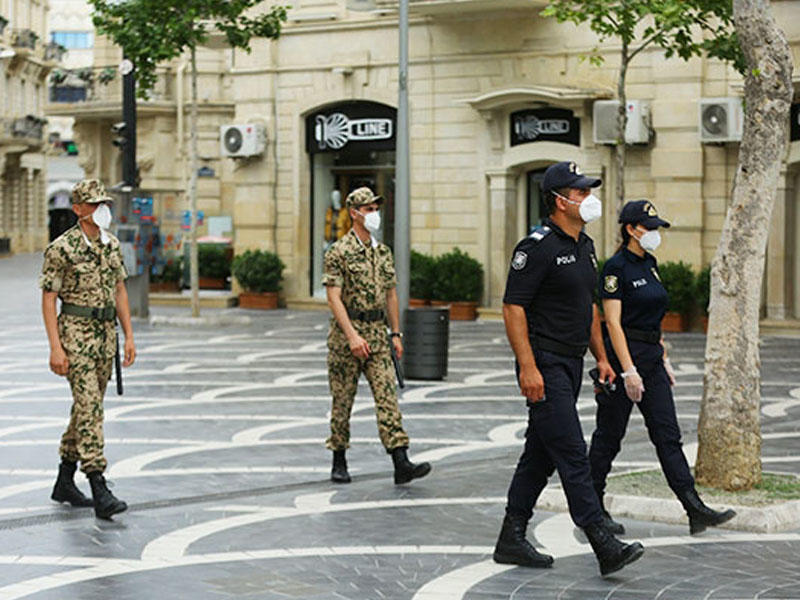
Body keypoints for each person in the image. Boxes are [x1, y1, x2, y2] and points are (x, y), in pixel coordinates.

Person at [493, 161, 644, 577]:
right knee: (573, 452)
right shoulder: (536, 247)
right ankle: (602, 541)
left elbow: (588, 308)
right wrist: (527, 366)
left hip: (572, 361)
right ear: (560, 201)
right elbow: (512, 307)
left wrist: (601, 357)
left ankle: (511, 536)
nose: (587, 198)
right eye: (580, 192)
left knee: (540, 455)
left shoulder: (586, 245)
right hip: (544, 362)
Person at [588, 199, 736, 535]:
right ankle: (592, 509)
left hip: (651, 360)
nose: (656, 233)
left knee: (668, 435)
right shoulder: (615, 269)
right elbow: (612, 323)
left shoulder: (650, 263)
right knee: (609, 437)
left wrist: (663, 357)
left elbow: (655, 317)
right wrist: (627, 370)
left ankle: (693, 507)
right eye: (650, 228)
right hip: (623, 360)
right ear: (631, 229)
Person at [39, 179, 135, 520]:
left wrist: (129, 335)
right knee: (91, 407)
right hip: (76, 336)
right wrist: (55, 348)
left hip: (105, 337)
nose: (101, 209)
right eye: (94, 203)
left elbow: (120, 289)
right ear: (78, 208)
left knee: (85, 409)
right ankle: (98, 483)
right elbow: (49, 299)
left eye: (103, 202)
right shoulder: (61, 249)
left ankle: (65, 479)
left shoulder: (110, 245)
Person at [322, 186, 431, 485]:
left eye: (375, 208)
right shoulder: (339, 252)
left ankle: (401, 461)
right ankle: (339, 458)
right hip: (347, 337)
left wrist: (395, 332)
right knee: (342, 401)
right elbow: (334, 298)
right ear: (354, 213)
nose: (374, 214)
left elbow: (391, 295)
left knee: (387, 397)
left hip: (378, 334)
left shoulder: (382, 252)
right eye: (368, 209)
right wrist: (352, 336)